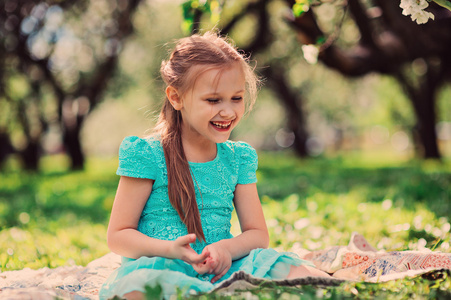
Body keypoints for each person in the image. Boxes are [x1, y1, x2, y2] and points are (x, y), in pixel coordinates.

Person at [99, 31, 329, 300]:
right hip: (161, 263)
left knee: (301, 276)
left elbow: (257, 234)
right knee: (140, 290)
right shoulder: (147, 154)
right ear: (176, 97)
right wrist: (168, 249)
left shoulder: (237, 158)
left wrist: (227, 250)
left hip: (226, 266)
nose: (228, 112)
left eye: (237, 98)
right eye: (213, 100)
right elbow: (118, 235)